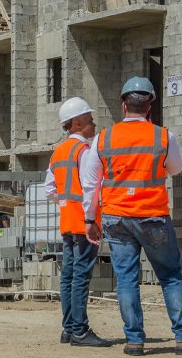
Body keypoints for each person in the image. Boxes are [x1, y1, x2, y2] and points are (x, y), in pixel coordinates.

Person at [81, 77, 182, 356]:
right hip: (153, 217)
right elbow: (176, 169)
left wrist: (90, 218)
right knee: (171, 276)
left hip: (116, 218)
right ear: (150, 105)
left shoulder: (104, 138)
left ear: (123, 104)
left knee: (127, 280)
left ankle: (134, 341)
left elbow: (91, 183)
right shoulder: (163, 136)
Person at [45, 97, 110, 347]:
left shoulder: (58, 152)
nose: (93, 125)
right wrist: (90, 218)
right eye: (90, 120)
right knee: (81, 277)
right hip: (85, 224)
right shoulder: (83, 151)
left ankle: (69, 329)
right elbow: (90, 187)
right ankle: (80, 331)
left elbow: (50, 190)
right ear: (78, 122)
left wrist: (66, 203)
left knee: (69, 277)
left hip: (67, 223)